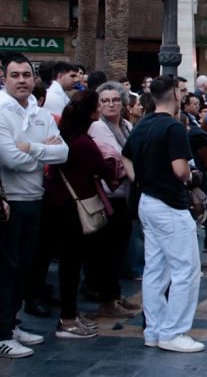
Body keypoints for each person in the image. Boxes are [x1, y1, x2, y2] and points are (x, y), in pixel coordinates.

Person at [121, 75, 204, 353]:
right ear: (175, 96)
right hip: (169, 204)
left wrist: (140, 180)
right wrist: (191, 177)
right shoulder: (173, 127)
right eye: (181, 91)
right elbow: (180, 169)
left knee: (155, 269)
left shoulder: (142, 123)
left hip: (148, 201)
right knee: (186, 270)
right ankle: (173, 332)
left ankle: (154, 331)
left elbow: (126, 156)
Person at [0, 54, 68, 358]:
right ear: (4, 78)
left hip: (34, 199)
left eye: (26, 75)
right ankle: (1, 333)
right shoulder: (1, 111)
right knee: (6, 269)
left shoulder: (40, 113)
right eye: (15, 75)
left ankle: (11, 324)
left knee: (24, 268)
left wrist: (29, 148)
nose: (22, 80)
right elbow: (10, 160)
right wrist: (43, 153)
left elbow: (63, 153)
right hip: (9, 202)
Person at [47, 90, 119, 339]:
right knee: (71, 264)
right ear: (92, 112)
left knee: (71, 264)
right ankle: (67, 320)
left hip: (62, 205)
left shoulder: (66, 137)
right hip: (75, 208)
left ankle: (71, 315)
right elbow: (102, 169)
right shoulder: (83, 143)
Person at [88, 82, 140, 319]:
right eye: (105, 100)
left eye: (115, 100)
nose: (110, 104)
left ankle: (115, 294)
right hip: (108, 196)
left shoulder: (127, 125)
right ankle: (107, 300)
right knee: (108, 250)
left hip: (125, 195)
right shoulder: (97, 127)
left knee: (119, 248)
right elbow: (117, 157)